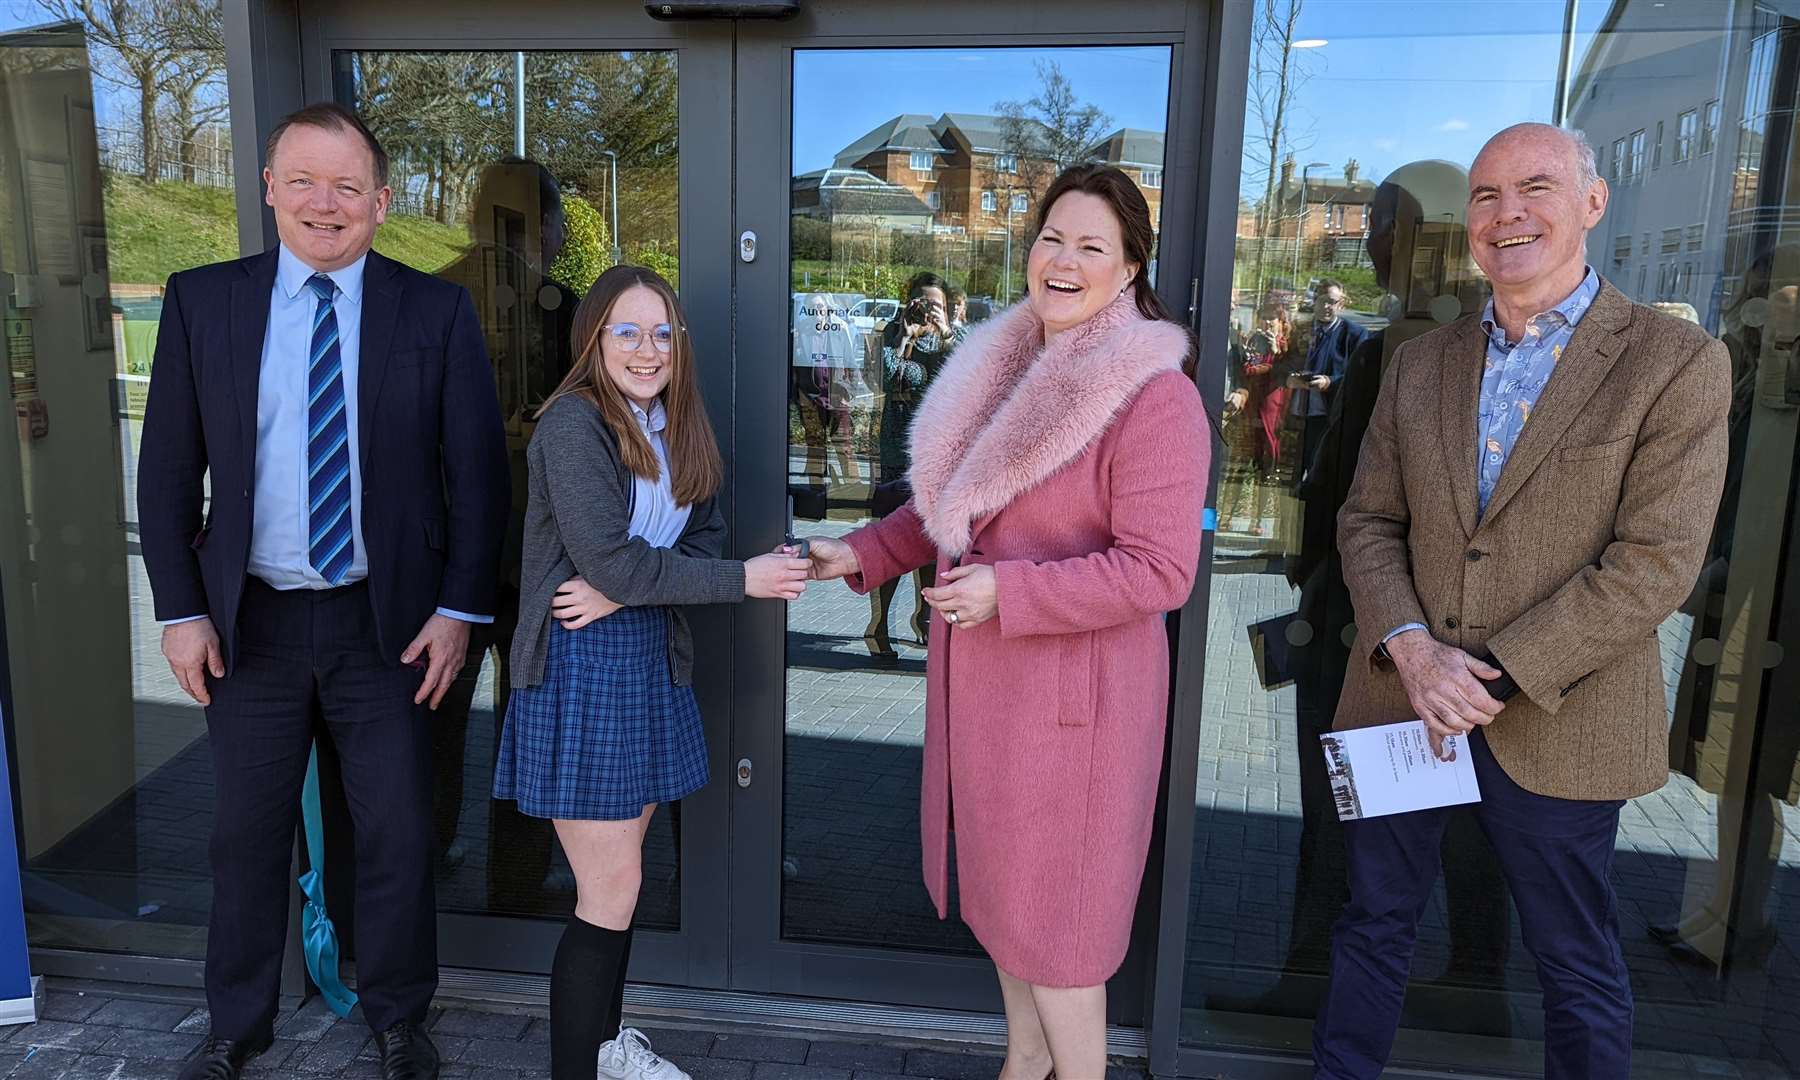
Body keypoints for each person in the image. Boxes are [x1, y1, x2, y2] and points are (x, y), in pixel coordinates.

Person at [1315, 123, 1731, 1079]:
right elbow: (1367, 521)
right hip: (1400, 699)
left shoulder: (1675, 362)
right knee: (1370, 924)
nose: (1507, 215)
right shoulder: (1420, 362)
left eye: (1534, 187)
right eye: (1488, 197)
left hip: (1563, 715)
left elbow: (1656, 563)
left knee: (1575, 964)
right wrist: (1417, 652)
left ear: (1592, 202)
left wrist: (1490, 675)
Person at [805, 164, 1210, 1080]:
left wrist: (1009, 594)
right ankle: (1021, 1067)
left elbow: (1161, 571)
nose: (1063, 262)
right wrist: (859, 554)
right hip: (996, 710)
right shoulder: (1008, 359)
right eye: (1052, 239)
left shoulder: (1154, 397)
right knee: (1013, 930)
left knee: (1061, 946)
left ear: (1131, 268)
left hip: (1077, 727)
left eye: (1091, 246)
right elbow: (949, 507)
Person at [140, 102, 509, 1080]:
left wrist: (458, 612)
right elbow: (168, 476)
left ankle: (396, 1016)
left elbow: (476, 476)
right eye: (302, 179)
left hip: (384, 625)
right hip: (248, 624)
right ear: (267, 188)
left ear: (382, 203)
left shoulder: (434, 312)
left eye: (348, 186)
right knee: (243, 836)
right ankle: (236, 1026)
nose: (324, 203)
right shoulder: (201, 302)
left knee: (395, 828)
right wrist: (180, 612)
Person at [495, 264, 810, 1080]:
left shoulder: (678, 423)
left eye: (663, 332)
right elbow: (610, 558)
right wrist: (735, 580)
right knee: (611, 889)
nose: (648, 349)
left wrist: (624, 586)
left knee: (622, 889)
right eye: (627, 331)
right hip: (580, 670)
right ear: (593, 338)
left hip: (644, 661)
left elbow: (686, 546)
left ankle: (607, 1048)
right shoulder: (573, 423)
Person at [865, 271, 964, 656]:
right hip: (895, 451)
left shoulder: (953, 340)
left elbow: (964, 380)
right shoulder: (892, 333)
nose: (926, 311)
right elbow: (886, 381)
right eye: (921, 303)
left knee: (928, 539)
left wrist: (945, 335)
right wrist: (905, 338)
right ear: (909, 302)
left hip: (937, 454)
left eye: (934, 305)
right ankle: (879, 623)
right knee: (891, 539)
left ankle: (923, 617)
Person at [1219, 295, 1293, 538]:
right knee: (1239, 466)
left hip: (1271, 413)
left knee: (1265, 469)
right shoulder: (1251, 339)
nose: (1268, 323)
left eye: (1273, 319)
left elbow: (1285, 372)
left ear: (1281, 322)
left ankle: (1258, 520)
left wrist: (1275, 351)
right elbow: (1243, 369)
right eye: (1265, 318)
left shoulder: (1285, 346)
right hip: (1249, 409)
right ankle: (1225, 516)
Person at [1288, 278, 1367, 480]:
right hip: (1295, 416)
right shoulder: (1298, 330)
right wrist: (1289, 378)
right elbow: (1282, 364)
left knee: (1321, 477)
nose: (1326, 306)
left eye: (1332, 302)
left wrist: (1330, 383)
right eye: (1322, 300)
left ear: (1341, 304)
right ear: (1314, 301)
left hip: (1328, 418)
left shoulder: (1354, 335)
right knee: (1291, 477)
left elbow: (1360, 378)